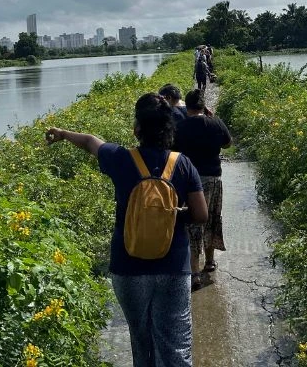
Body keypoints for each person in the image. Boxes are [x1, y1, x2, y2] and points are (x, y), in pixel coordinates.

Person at [46, 93, 208, 367]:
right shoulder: (182, 164)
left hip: (128, 264)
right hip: (173, 264)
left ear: (137, 128)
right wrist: (173, 215)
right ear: (170, 128)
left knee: (141, 337)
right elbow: (201, 215)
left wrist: (61, 133)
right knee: (175, 341)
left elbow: (88, 141)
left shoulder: (120, 158)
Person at [174, 88, 232, 289]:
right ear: (203, 105)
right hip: (215, 179)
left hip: (191, 183)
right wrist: (214, 117)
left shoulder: (180, 127)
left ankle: (194, 273)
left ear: (187, 107)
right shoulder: (214, 122)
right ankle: (210, 261)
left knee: (193, 223)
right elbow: (227, 143)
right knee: (213, 218)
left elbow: (173, 153)